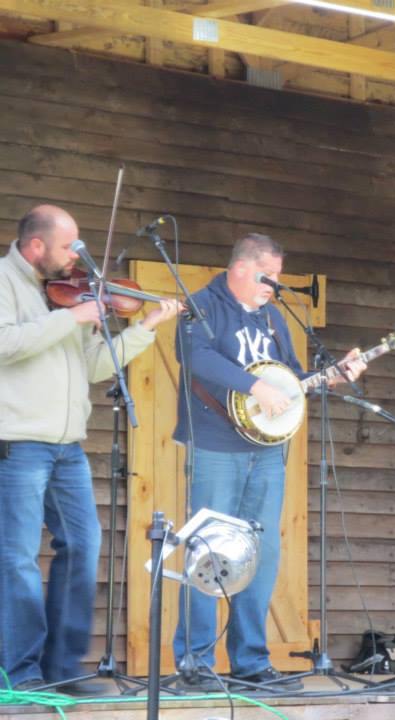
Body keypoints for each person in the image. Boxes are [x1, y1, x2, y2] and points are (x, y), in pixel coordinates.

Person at [0, 205, 180, 693]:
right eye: (68, 247)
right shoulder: (5, 282)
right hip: (17, 442)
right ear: (35, 246)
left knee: (83, 546)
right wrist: (73, 316)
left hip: (67, 449)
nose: (77, 257)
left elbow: (96, 366)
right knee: (17, 558)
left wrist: (145, 329)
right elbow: (5, 344)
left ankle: (62, 669)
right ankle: (22, 674)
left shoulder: (67, 294)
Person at [172, 233, 364, 691]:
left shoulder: (274, 319)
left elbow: (292, 378)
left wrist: (330, 377)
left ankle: (251, 662)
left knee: (259, 552)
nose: (274, 285)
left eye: (277, 276)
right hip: (216, 445)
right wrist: (253, 386)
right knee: (207, 549)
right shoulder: (203, 305)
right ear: (241, 268)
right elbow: (194, 355)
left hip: (266, 449)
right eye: (268, 276)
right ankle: (196, 663)